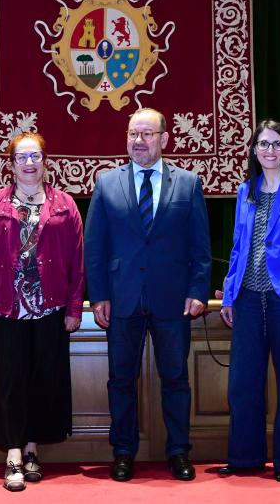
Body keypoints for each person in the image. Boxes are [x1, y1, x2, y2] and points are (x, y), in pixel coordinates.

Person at [85, 107, 211, 482]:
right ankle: (123, 452)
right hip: (121, 299)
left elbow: (200, 248)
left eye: (147, 134)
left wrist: (198, 290)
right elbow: (95, 247)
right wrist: (99, 296)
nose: (138, 141)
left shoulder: (188, 184)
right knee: (120, 379)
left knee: (175, 378)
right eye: (133, 134)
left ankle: (178, 452)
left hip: (173, 299)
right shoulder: (107, 183)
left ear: (163, 139)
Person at [0, 132, 84, 492]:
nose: (29, 163)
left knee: (42, 381)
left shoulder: (65, 204)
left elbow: (79, 262)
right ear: (11, 164)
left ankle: (34, 449)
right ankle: (14, 455)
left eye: (35, 156)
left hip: (51, 308)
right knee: (10, 382)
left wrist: (73, 307)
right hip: (8, 308)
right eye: (22, 157)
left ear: (45, 160)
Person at [218, 120, 280, 482]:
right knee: (243, 382)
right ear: (255, 150)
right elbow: (238, 246)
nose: (270, 150)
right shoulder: (247, 189)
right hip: (247, 297)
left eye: (277, 144)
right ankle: (245, 458)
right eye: (263, 144)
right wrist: (229, 292)